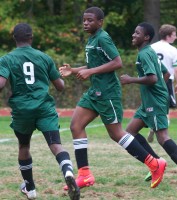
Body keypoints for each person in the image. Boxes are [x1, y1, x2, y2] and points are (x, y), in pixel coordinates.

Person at [59, 7, 166, 191]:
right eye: (84, 20)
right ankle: (84, 175)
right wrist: (75, 70)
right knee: (76, 125)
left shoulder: (103, 37)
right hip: (95, 92)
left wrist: (90, 71)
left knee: (116, 134)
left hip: (108, 93)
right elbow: (95, 64)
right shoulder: (92, 39)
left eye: (90, 20)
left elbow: (117, 62)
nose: (86, 23)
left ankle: (154, 163)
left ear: (100, 22)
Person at [0, 23, 80, 200]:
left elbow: (1, 84)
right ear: (31, 37)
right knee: (56, 144)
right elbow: (60, 87)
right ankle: (68, 172)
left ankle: (31, 188)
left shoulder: (6, 59)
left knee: (24, 146)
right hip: (44, 108)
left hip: (22, 110)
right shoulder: (44, 57)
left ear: (14, 38)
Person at [120, 22, 177, 182]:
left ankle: (158, 164)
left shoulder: (144, 54)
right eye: (134, 32)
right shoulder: (149, 51)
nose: (133, 35)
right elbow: (164, 74)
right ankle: (156, 163)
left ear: (146, 37)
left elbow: (152, 78)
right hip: (149, 102)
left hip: (155, 102)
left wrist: (131, 79)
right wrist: (159, 90)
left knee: (162, 137)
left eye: (137, 33)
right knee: (130, 132)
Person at [147, 24, 177, 143]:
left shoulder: (152, 47)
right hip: (166, 81)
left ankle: (152, 126)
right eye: (174, 35)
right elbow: (175, 69)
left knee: (151, 105)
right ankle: (164, 135)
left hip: (151, 80)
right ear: (168, 36)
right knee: (166, 108)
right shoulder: (173, 50)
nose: (175, 37)